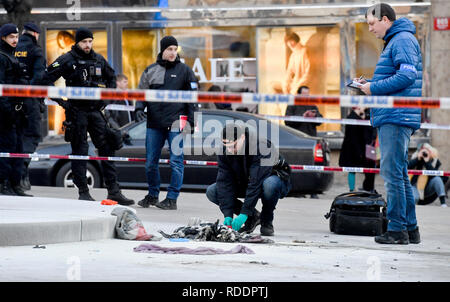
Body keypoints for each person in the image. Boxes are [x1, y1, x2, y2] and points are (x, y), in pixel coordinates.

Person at [356, 3, 423, 244]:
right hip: (398, 114)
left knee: (393, 174)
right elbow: (400, 75)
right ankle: (410, 229)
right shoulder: (399, 39)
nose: (370, 29)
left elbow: (407, 75)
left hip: (397, 115)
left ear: (385, 19)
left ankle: (396, 230)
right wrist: (370, 83)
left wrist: (372, 88)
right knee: (400, 175)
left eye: (372, 24)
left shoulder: (401, 40)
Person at [43, 27, 134, 205]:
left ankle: (114, 191)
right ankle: (83, 191)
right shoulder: (67, 59)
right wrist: (62, 102)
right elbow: (45, 78)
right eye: (84, 41)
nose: (87, 45)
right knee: (80, 151)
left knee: (107, 148)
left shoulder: (98, 58)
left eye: (90, 41)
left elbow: (111, 79)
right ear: (77, 42)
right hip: (77, 111)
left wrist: (105, 101)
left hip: (95, 111)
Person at [135, 35, 197, 210]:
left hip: (176, 123)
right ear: (162, 50)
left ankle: (172, 198)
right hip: (154, 123)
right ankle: (153, 195)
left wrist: (193, 121)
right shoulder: (150, 70)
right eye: (169, 49)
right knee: (150, 163)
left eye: (175, 49)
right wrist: (138, 108)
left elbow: (193, 98)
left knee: (176, 162)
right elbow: (142, 93)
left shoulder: (185, 70)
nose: (172, 52)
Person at [206, 123, 291, 236]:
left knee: (269, 185)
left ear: (242, 138)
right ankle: (253, 218)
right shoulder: (225, 150)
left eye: (234, 146)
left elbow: (256, 182)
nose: (230, 150)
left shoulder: (262, 147)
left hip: (274, 180)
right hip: (246, 181)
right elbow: (224, 182)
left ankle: (266, 220)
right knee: (213, 191)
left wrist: (244, 213)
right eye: (227, 146)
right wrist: (228, 213)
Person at [0, 23, 31, 196]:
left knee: (19, 148)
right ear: (3, 38)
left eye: (16, 37)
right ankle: (4, 184)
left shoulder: (13, 57)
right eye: (11, 37)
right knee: (7, 148)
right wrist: (8, 111)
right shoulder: (2, 57)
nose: (15, 40)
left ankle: (15, 184)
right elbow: (2, 88)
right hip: (6, 114)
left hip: (18, 112)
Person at [15, 22, 46, 192]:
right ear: (35, 34)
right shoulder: (36, 50)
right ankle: (22, 174)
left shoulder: (12, 47)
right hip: (29, 101)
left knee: (15, 137)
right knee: (32, 136)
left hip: (11, 100)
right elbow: (40, 76)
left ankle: (14, 178)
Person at [338, 107, 377, 193]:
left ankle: (368, 188)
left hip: (367, 146)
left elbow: (373, 129)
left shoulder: (368, 114)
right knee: (352, 169)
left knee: (370, 168)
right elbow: (353, 136)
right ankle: (352, 189)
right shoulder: (352, 117)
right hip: (354, 147)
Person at [408, 143, 448, 208]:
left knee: (437, 179)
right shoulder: (415, 158)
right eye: (423, 151)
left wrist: (427, 162)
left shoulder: (434, 161)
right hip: (414, 186)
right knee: (414, 197)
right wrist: (418, 159)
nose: (424, 153)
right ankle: (412, 212)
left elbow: (434, 174)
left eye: (426, 151)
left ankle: (443, 203)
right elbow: (407, 167)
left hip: (428, 187)